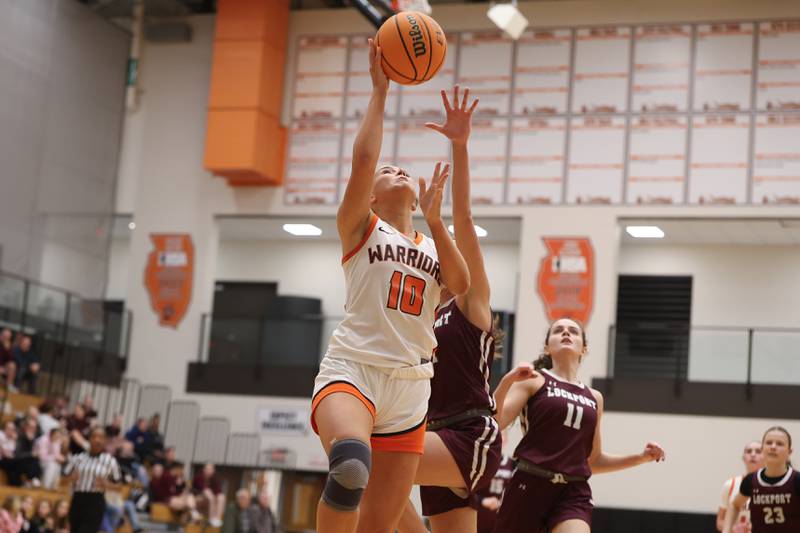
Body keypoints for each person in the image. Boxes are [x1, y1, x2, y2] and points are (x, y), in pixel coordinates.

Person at [310, 38, 469, 533]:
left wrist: (438, 223)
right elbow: (363, 159)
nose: (395, 168)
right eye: (387, 170)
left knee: (379, 526)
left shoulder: (428, 243)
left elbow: (461, 286)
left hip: (411, 386)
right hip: (354, 368)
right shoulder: (360, 227)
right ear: (371, 196)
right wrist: (380, 91)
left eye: (401, 167)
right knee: (351, 466)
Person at [396, 86, 502, 533]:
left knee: (370, 464)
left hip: (468, 434)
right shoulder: (422, 312)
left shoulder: (471, 303)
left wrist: (459, 147)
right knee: (375, 470)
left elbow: (463, 215)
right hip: (434, 433)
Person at [492, 318, 666, 533]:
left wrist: (640, 457)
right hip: (530, 482)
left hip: (572, 491)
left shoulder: (595, 397)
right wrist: (507, 381)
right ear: (547, 347)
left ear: (584, 348)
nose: (566, 333)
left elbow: (593, 460)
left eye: (573, 331)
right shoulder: (534, 380)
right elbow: (496, 422)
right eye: (558, 331)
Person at [724, 426, 798, 533]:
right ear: (762, 449)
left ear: (789, 451)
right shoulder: (751, 480)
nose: (773, 446)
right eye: (769, 442)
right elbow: (734, 505)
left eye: (779, 444)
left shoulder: (796, 480)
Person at [64, 427, 122, 533]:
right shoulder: (77, 458)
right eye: (94, 436)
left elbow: (119, 486)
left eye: (100, 437)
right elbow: (62, 480)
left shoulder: (110, 461)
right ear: (89, 439)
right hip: (77, 499)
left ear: (105, 441)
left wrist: (106, 484)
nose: (97, 440)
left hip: (95, 501)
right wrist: (70, 479)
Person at [716, 440, 764, 532]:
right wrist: (734, 528)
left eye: (758, 451)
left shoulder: (773, 486)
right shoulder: (730, 484)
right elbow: (720, 522)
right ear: (743, 457)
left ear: (766, 456)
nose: (753, 454)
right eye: (749, 451)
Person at [193, 462, 226, 527]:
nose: (209, 471)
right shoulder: (199, 477)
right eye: (207, 469)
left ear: (213, 471)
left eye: (211, 469)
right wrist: (210, 493)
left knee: (221, 497)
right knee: (209, 493)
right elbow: (201, 489)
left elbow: (218, 491)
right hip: (198, 498)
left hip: (210, 499)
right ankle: (211, 518)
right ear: (204, 470)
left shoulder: (215, 478)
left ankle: (217, 519)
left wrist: (216, 496)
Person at [0, 328, 16, 392]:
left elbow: (11, 359)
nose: (5, 339)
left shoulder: (9, 347)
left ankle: (9, 385)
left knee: (12, 365)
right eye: (4, 336)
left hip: (3, 367)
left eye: (8, 337)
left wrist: (8, 350)